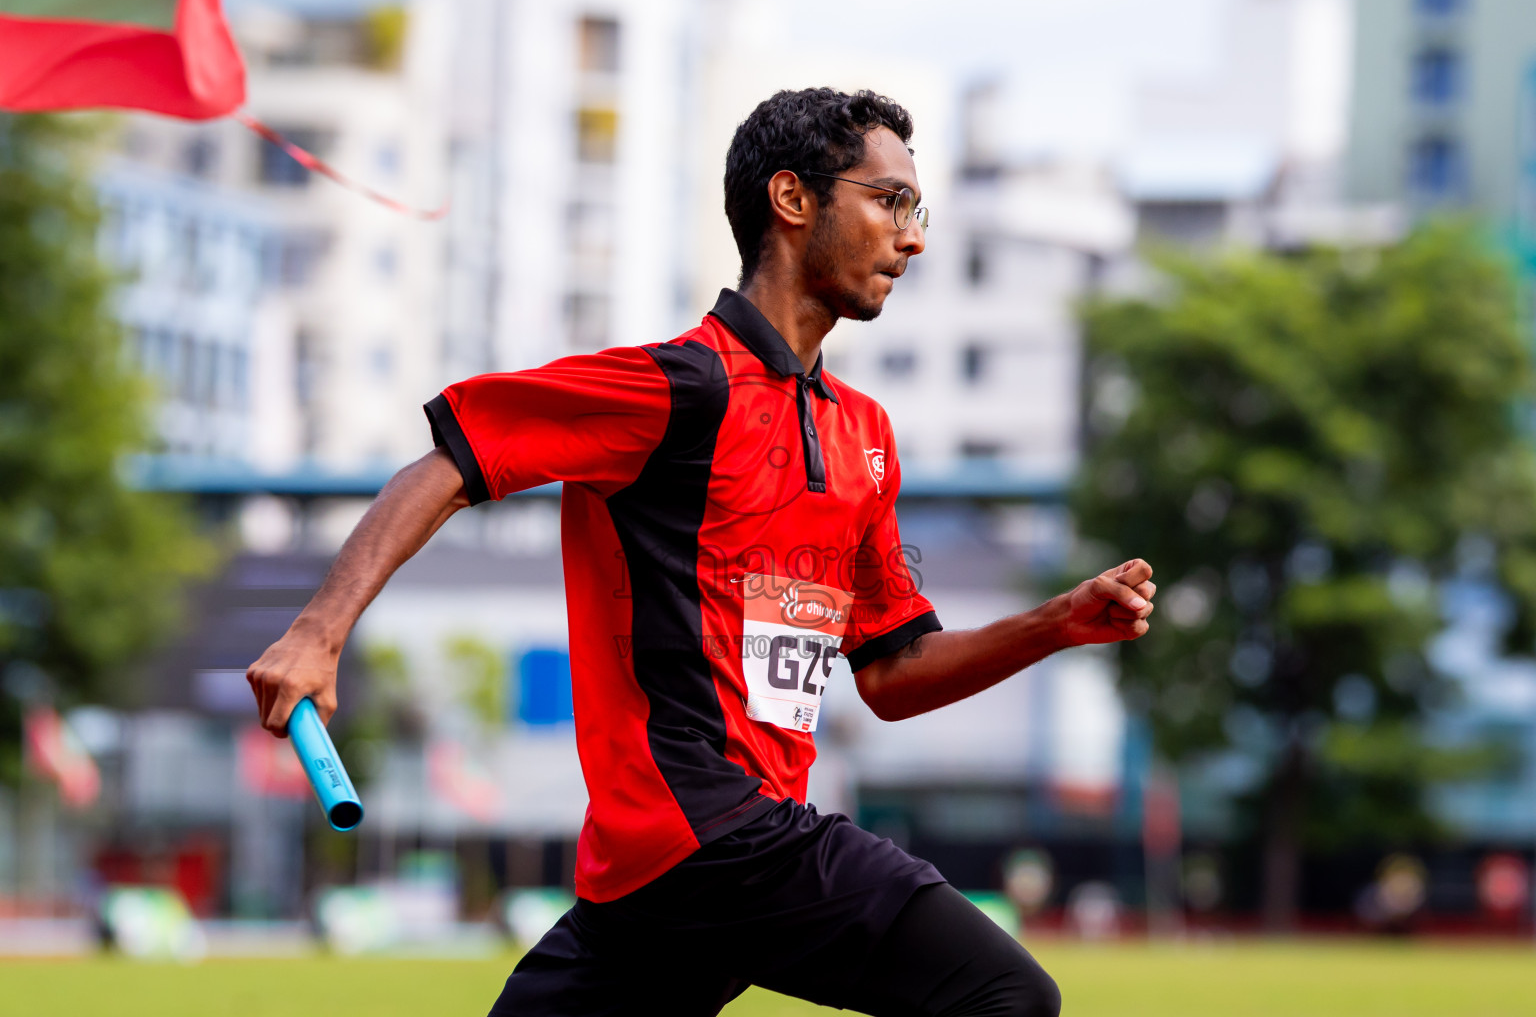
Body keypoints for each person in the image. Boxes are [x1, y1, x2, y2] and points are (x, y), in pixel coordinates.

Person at [247, 87, 1155, 1017]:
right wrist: (318, 633)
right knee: (1005, 994)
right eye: (889, 201)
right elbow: (451, 461)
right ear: (793, 199)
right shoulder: (681, 386)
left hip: (677, 882)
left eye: (916, 210)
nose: (912, 237)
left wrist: (1057, 624)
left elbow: (892, 673)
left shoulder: (865, 439)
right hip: (709, 836)